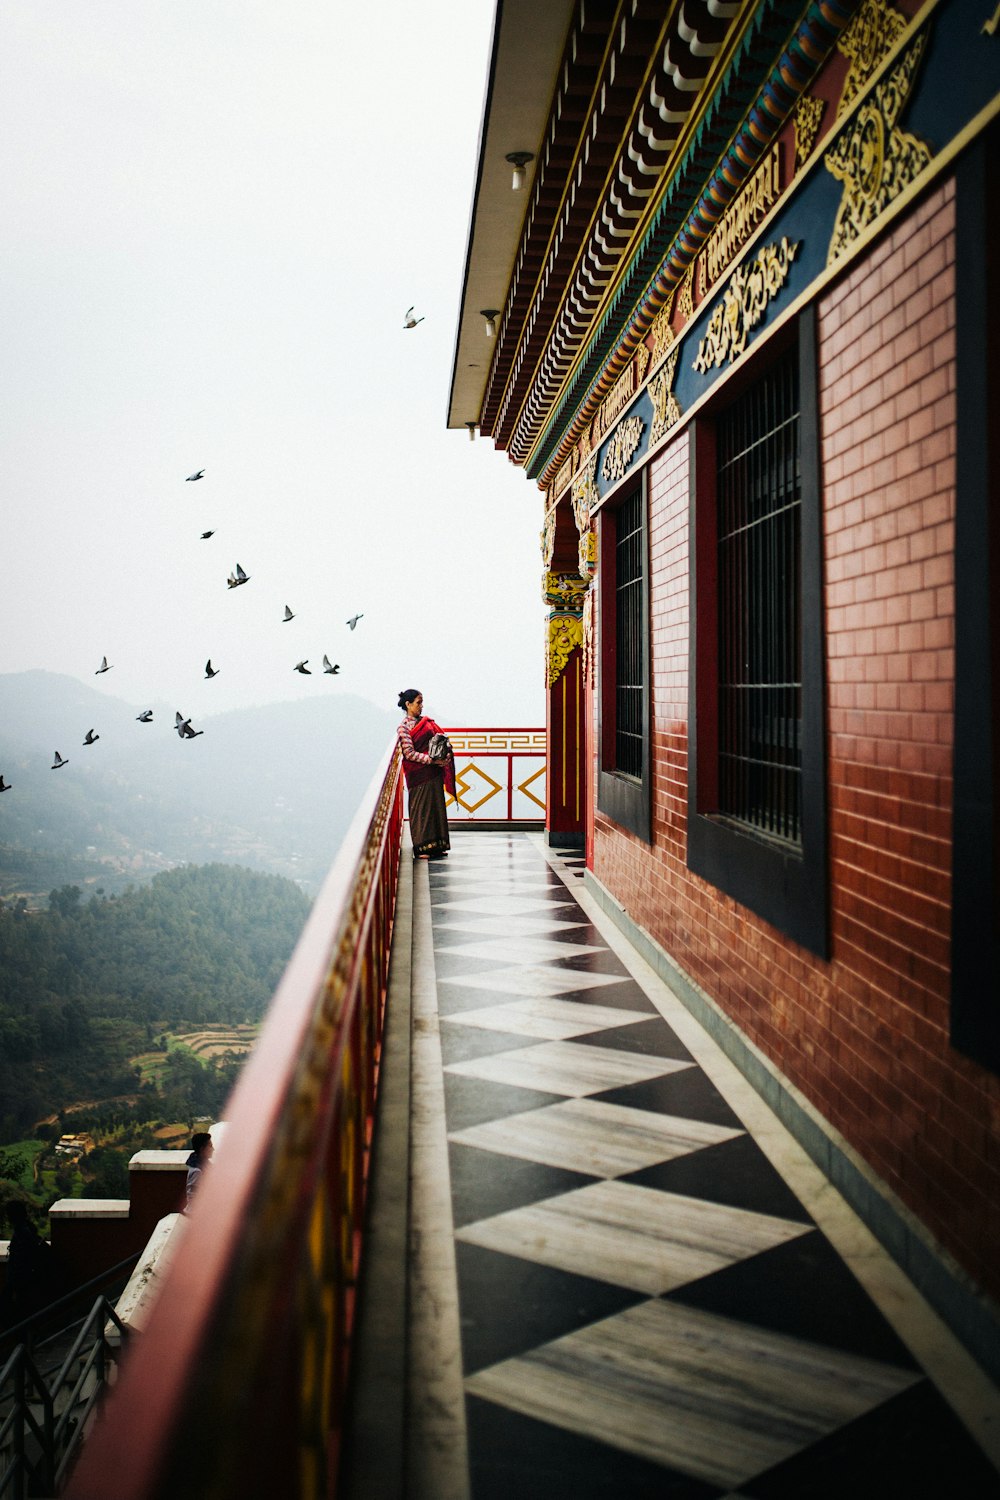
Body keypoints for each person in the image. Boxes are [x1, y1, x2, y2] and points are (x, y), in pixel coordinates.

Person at [396, 689, 456, 860]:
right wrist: (432, 760)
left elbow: (441, 739)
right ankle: (422, 847)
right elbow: (409, 753)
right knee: (421, 809)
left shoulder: (427, 722)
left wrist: (444, 755)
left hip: (433, 771)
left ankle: (437, 845)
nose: (421, 706)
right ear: (408, 704)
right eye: (418, 703)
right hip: (419, 773)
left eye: (422, 702)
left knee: (436, 808)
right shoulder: (403, 728)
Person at [185, 1131, 214, 1208]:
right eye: (210, 1146)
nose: (213, 1149)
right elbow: (193, 1198)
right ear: (202, 1149)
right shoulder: (197, 1171)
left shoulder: (205, 1165)